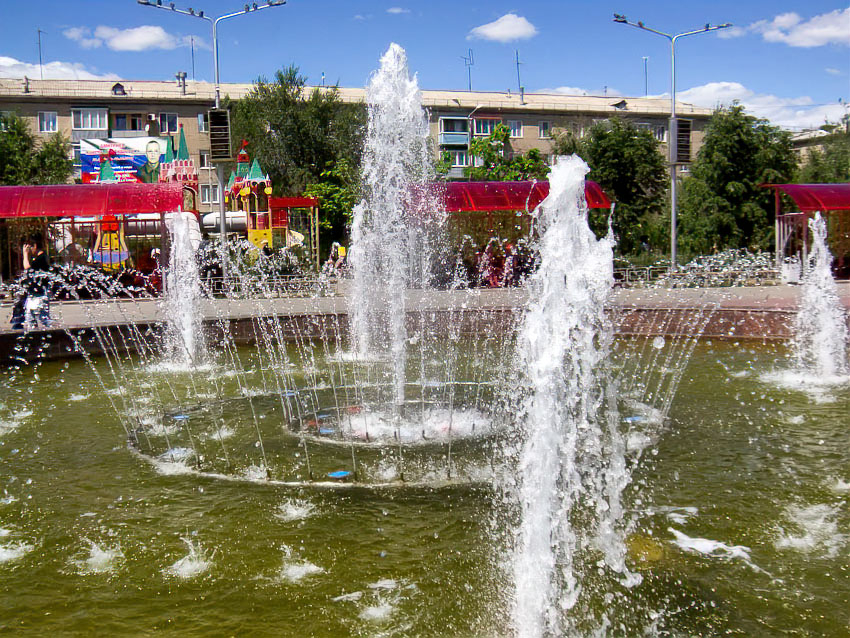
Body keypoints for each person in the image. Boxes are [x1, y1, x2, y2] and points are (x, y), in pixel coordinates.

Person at [22, 235, 52, 330]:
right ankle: (37, 334)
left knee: (41, 318)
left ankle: (53, 333)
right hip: (38, 293)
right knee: (34, 316)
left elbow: (27, 269)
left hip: (39, 294)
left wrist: (25, 255)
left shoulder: (40, 259)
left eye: (30, 247)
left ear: (35, 246)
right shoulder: (43, 257)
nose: (29, 249)